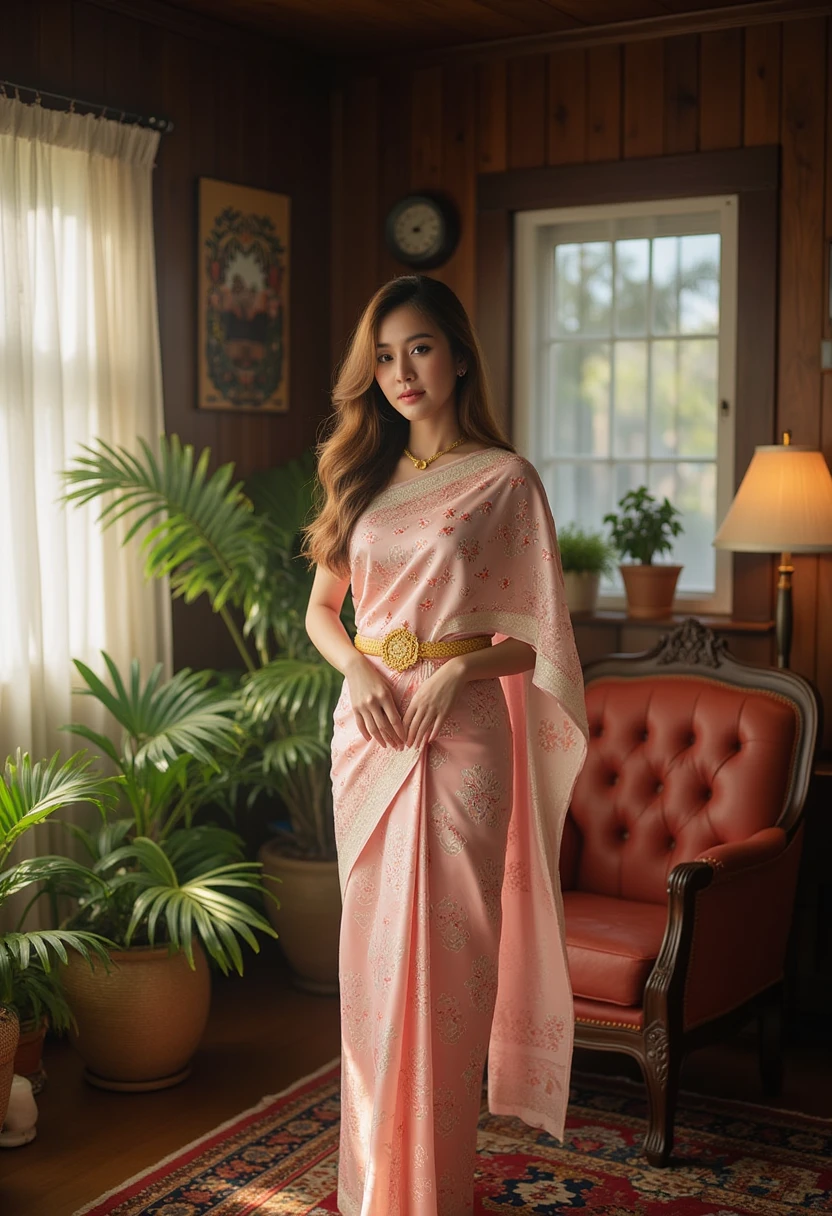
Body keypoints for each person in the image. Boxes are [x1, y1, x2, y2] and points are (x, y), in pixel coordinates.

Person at [303, 275, 588, 1216]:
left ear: (458, 354)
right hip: (371, 733)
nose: (400, 373)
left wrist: (463, 672)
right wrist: (358, 673)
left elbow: (537, 641)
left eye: (418, 349)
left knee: (448, 973)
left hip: (459, 737)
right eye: (383, 356)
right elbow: (321, 613)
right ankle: (376, 1188)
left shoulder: (506, 480)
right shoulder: (362, 477)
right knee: (371, 976)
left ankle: (436, 1192)